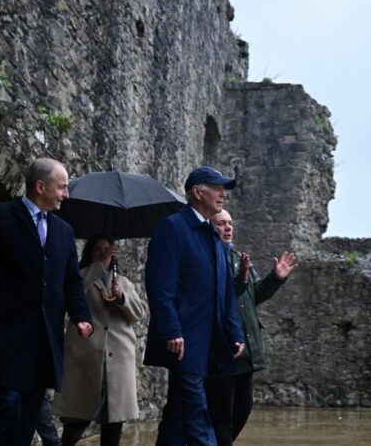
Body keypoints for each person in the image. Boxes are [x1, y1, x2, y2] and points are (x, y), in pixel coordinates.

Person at [0, 157, 94, 446]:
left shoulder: (63, 232)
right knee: (7, 406)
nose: (66, 194)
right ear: (40, 186)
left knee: (26, 416)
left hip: (43, 343)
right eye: (61, 187)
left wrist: (81, 315)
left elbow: (71, 281)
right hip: (4, 337)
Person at [144, 166, 245, 446]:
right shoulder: (173, 228)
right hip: (184, 341)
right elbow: (159, 286)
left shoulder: (214, 237)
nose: (223, 193)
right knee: (198, 414)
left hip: (210, 344)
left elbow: (224, 292)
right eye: (217, 187)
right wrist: (172, 329)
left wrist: (234, 332)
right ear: (197, 192)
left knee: (177, 418)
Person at [205, 210, 297, 445]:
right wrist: (241, 279)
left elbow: (254, 295)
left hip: (247, 348)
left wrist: (276, 278)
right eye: (221, 224)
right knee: (221, 414)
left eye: (230, 223)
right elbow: (216, 297)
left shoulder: (237, 257)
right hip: (222, 348)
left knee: (243, 408)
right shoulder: (206, 258)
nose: (228, 228)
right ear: (209, 227)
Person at [53, 235, 148, 446]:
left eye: (108, 250)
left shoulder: (123, 282)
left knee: (114, 420)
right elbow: (73, 293)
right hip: (86, 356)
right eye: (98, 250)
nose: (104, 253)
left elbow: (139, 313)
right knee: (77, 418)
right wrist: (100, 265)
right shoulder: (81, 276)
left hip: (118, 357)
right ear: (90, 253)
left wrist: (122, 298)